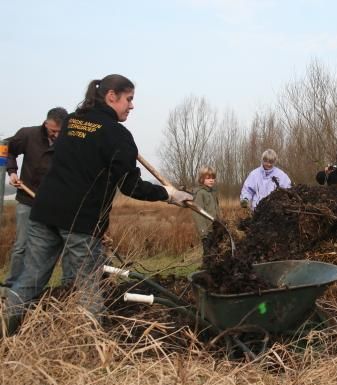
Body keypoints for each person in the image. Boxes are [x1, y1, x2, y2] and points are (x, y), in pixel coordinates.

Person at [3, 74, 192, 322]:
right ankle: (91, 345)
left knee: (31, 278)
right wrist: (169, 194)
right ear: (111, 96)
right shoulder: (117, 135)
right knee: (88, 287)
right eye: (129, 99)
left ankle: (6, 332)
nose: (132, 106)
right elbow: (130, 185)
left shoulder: (71, 122)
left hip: (44, 210)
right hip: (80, 221)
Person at [3, 107, 68, 288]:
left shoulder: (69, 141)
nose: (56, 135)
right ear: (46, 123)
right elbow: (5, 147)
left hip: (53, 204)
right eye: (53, 131)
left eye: (60, 132)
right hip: (28, 199)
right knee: (22, 246)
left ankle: (40, 287)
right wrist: (11, 172)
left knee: (52, 247)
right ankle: (11, 286)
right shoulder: (28, 135)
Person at [192, 166, 221, 263]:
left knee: (216, 253)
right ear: (201, 179)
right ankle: (205, 270)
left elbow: (216, 209)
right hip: (206, 231)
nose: (211, 180)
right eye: (208, 178)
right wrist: (203, 232)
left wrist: (220, 223)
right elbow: (197, 213)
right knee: (208, 254)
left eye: (213, 178)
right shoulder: (200, 194)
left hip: (215, 228)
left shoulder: (213, 192)